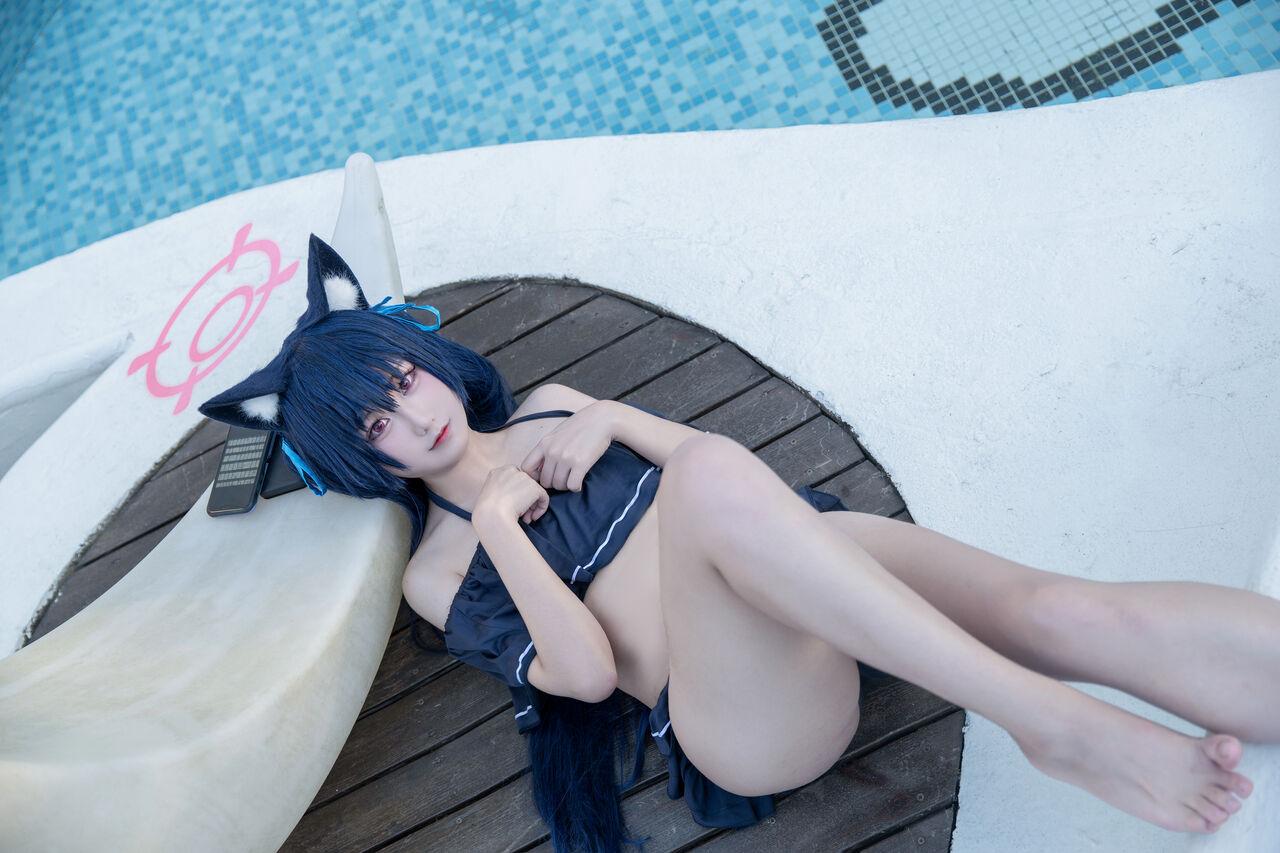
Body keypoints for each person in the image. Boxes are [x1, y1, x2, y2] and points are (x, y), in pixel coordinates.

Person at [201, 234, 1276, 849]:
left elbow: (735, 483)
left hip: (808, 574)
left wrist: (612, 417)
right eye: (373, 426)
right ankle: (1048, 720)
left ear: (422, 355)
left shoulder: (558, 405)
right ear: (359, 459)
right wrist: (496, 529)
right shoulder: (441, 571)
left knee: (1055, 609)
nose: (411, 415)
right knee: (707, 479)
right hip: (741, 711)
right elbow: (582, 675)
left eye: (400, 379)